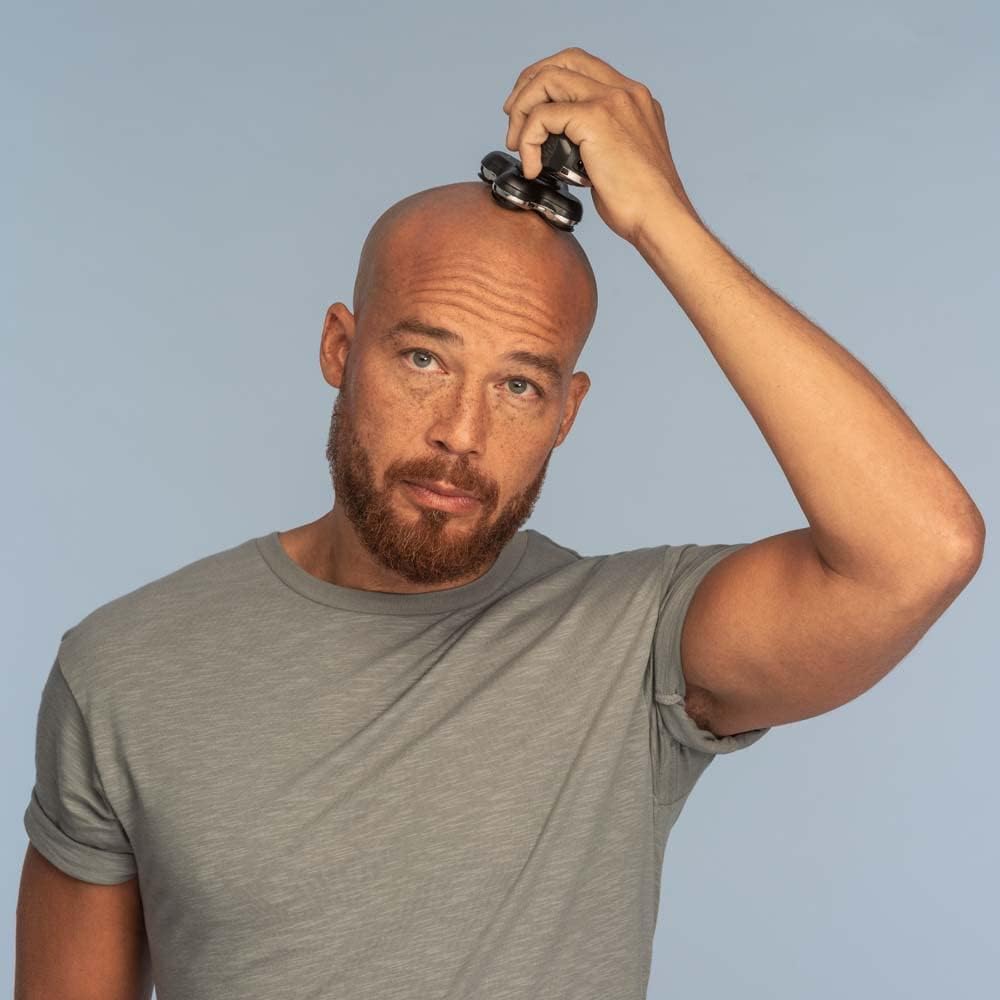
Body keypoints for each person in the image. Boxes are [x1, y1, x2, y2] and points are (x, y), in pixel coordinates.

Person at [16, 47, 984, 1000]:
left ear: (567, 412)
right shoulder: (126, 669)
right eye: (424, 360)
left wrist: (662, 221)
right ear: (340, 348)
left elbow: (920, 550)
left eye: (519, 385)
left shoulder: (633, 650)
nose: (461, 434)